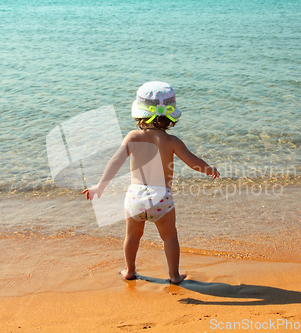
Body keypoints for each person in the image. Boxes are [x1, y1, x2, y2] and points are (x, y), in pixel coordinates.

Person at [83, 81, 219, 284]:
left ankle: (129, 270)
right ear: (170, 116)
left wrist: (99, 187)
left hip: (135, 197)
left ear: (140, 113)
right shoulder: (172, 141)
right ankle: (174, 275)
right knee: (170, 237)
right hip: (161, 198)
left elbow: (115, 161)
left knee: (132, 236)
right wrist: (209, 169)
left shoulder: (133, 137)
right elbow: (193, 162)